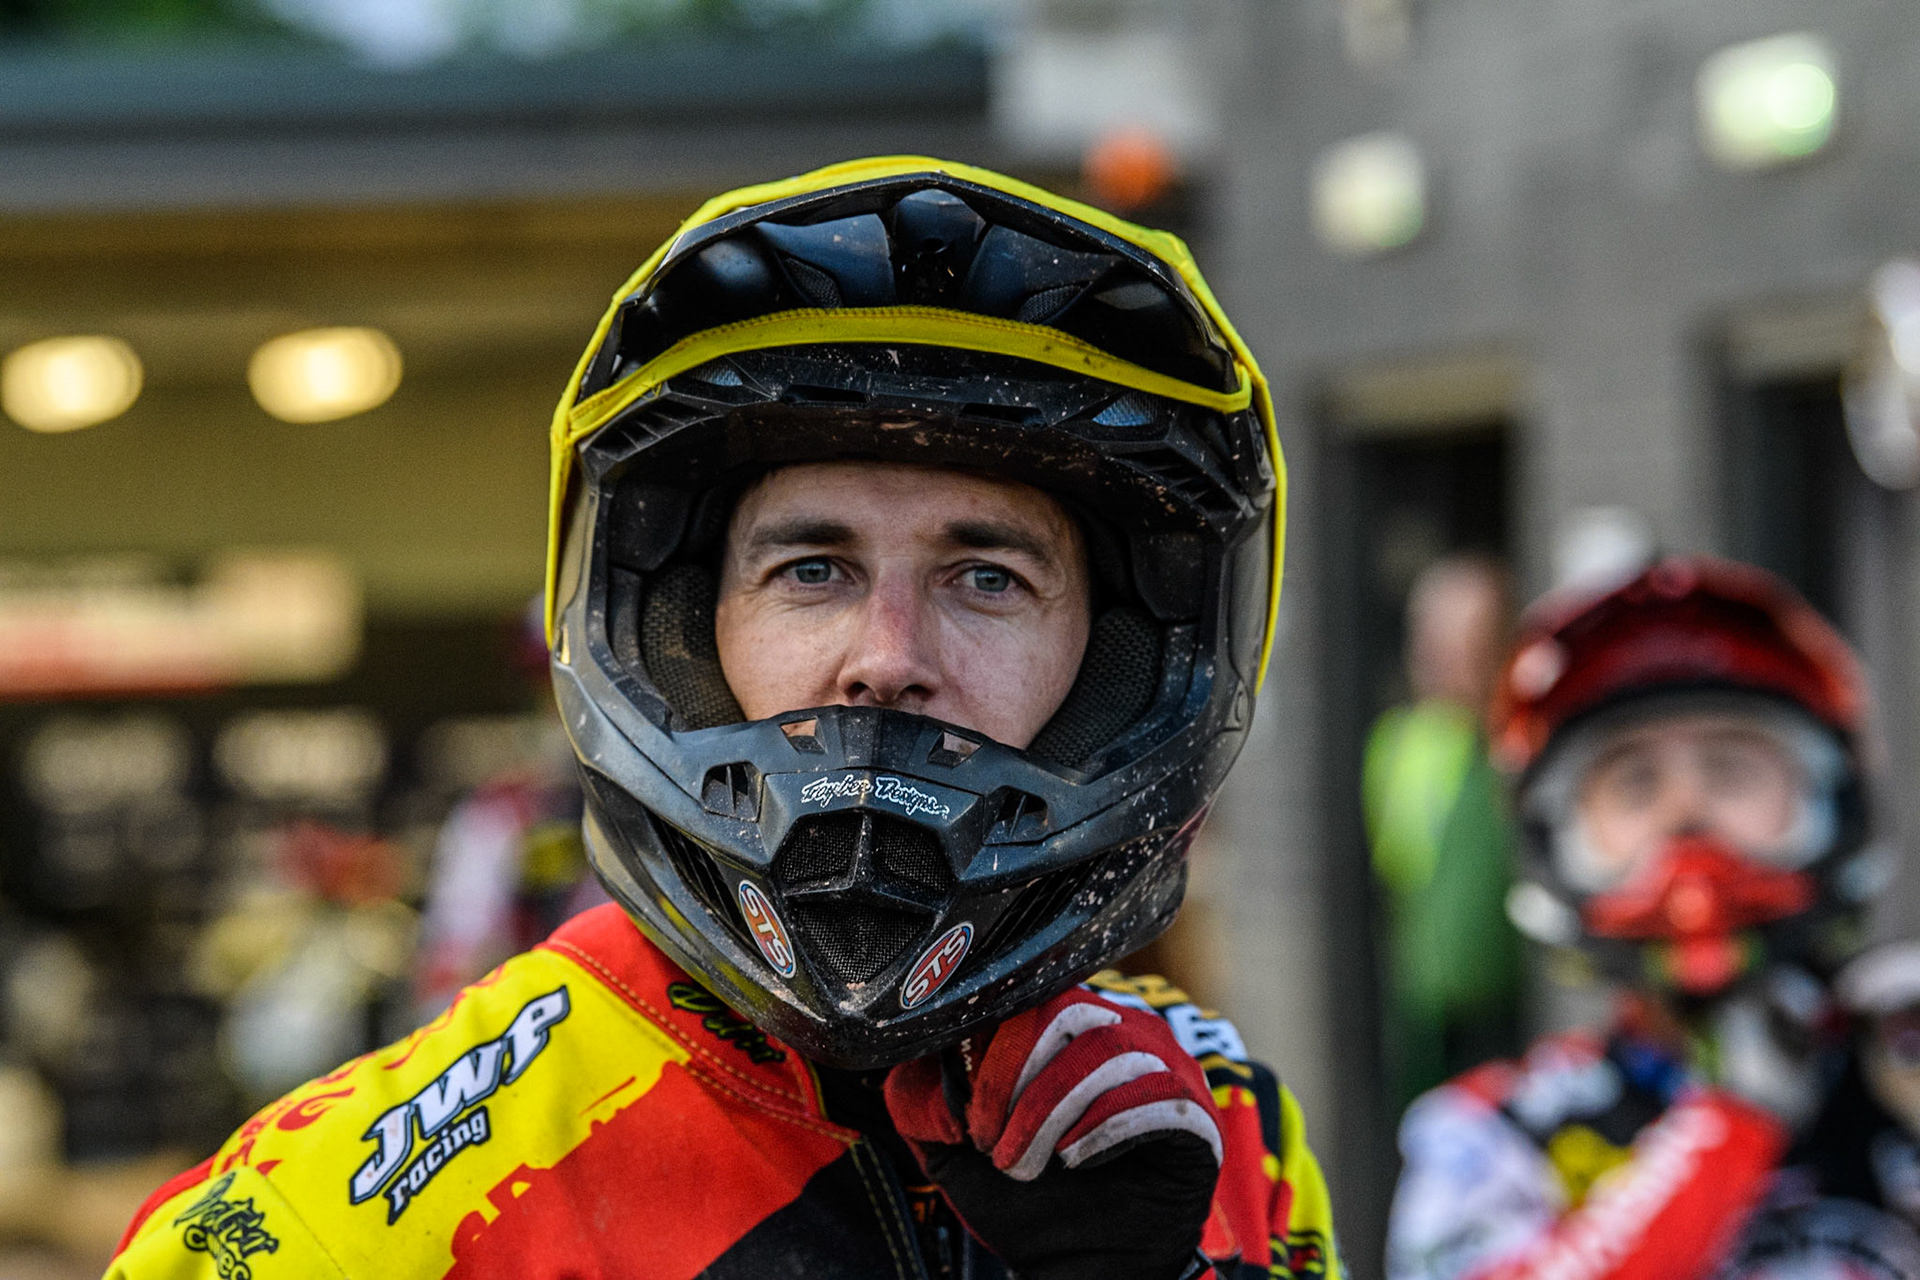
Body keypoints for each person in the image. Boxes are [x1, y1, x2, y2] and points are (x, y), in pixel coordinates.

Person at [106, 158, 1340, 1280]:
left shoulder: (1217, 1126)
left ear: (1116, 662)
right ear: (688, 633)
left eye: (987, 578)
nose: (887, 659)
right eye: (813, 569)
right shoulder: (356, 1214)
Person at [1384, 556, 1899, 1280]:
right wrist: (1732, 1127)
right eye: (1634, 782)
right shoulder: (1490, 1133)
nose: (1686, 819)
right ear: (1558, 836)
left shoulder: (1899, 1075)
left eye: (1732, 770)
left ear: (1825, 801)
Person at [1364, 555, 1522, 1106]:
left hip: (1507, 1014)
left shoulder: (1513, 745)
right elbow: (1396, 873)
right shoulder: (1400, 742)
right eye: (1430, 637)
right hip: (1423, 1009)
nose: (1438, 656)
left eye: (1462, 641)